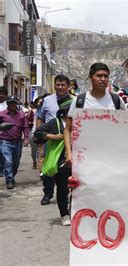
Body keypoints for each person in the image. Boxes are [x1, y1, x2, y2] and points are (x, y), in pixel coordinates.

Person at [64, 62, 125, 166]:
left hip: (112, 158)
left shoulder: (116, 100)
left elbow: (126, 128)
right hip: (84, 159)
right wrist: (69, 153)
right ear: (90, 78)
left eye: (106, 76)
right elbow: (68, 129)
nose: (103, 79)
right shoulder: (79, 101)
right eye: (99, 75)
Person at [34, 96, 73, 226]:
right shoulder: (55, 123)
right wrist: (53, 136)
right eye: (68, 107)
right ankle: (64, 214)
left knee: (78, 189)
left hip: (78, 160)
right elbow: (38, 134)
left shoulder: (80, 120)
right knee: (62, 189)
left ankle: (76, 211)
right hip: (61, 161)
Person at [36, 74, 71, 205]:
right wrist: (41, 141)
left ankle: (65, 193)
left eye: (63, 85)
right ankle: (47, 194)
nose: (60, 87)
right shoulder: (47, 100)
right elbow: (39, 118)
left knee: (66, 169)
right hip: (50, 139)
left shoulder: (74, 101)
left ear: (68, 86)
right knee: (49, 167)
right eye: (58, 84)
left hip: (67, 140)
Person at [0, 96, 29, 189]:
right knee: (8, 161)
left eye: (14, 103)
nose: (12, 104)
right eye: (10, 103)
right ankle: (9, 180)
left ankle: (11, 176)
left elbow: (25, 127)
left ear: (16, 103)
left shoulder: (21, 115)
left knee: (16, 163)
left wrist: (26, 138)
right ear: (7, 104)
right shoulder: (2, 114)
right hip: (5, 141)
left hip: (17, 142)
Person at [29, 97, 43, 169]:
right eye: (39, 102)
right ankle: (34, 161)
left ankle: (41, 168)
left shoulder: (45, 111)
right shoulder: (33, 111)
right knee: (34, 151)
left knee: (41, 152)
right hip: (33, 133)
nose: (40, 103)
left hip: (43, 134)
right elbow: (34, 123)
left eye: (42, 102)